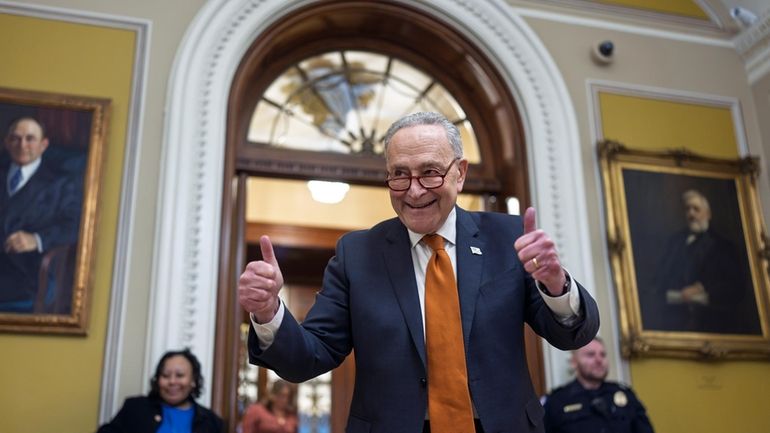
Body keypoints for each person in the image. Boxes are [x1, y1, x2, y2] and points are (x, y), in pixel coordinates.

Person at [238, 111, 599, 433]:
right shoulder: (358, 254)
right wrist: (269, 313)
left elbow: (571, 336)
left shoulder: (506, 237)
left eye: (429, 173)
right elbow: (309, 357)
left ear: (460, 173)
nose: (413, 191)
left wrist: (556, 285)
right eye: (399, 174)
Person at [644, 189, 760, 334]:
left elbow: (735, 285)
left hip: (712, 320)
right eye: (688, 209)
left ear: (708, 214)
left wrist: (701, 287)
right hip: (675, 318)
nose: (691, 214)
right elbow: (660, 277)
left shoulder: (722, 246)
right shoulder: (675, 242)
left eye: (696, 209)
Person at [0, 116, 83, 311]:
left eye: (30, 139)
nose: (22, 145)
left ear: (43, 145)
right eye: (15, 138)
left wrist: (36, 239)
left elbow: (75, 225)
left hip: (27, 271)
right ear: (6, 143)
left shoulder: (61, 183)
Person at [97, 348, 224, 433]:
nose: (172, 381)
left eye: (180, 375)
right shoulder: (135, 408)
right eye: (165, 375)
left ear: (193, 381)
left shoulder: (212, 422)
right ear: (157, 380)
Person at [543, 337, 654, 433]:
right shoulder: (557, 401)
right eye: (591, 355)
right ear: (574, 362)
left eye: (603, 354)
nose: (599, 360)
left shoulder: (625, 395)